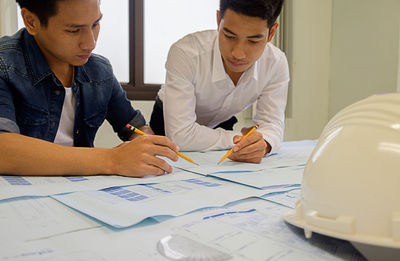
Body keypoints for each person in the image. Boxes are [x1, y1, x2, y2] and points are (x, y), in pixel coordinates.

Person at [0, 0, 179, 178]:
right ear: (31, 21)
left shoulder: (99, 71)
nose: (90, 43)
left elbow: (134, 127)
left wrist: (143, 144)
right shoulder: (5, 64)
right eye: (73, 30)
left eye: (95, 24)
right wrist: (113, 160)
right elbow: (3, 150)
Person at [150, 0, 288, 164]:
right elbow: (181, 135)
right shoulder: (186, 53)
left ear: (271, 33)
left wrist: (262, 144)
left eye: (253, 41)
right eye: (229, 36)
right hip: (167, 125)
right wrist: (241, 139)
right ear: (218, 20)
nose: (238, 54)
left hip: (222, 125)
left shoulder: (275, 63)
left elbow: (272, 125)